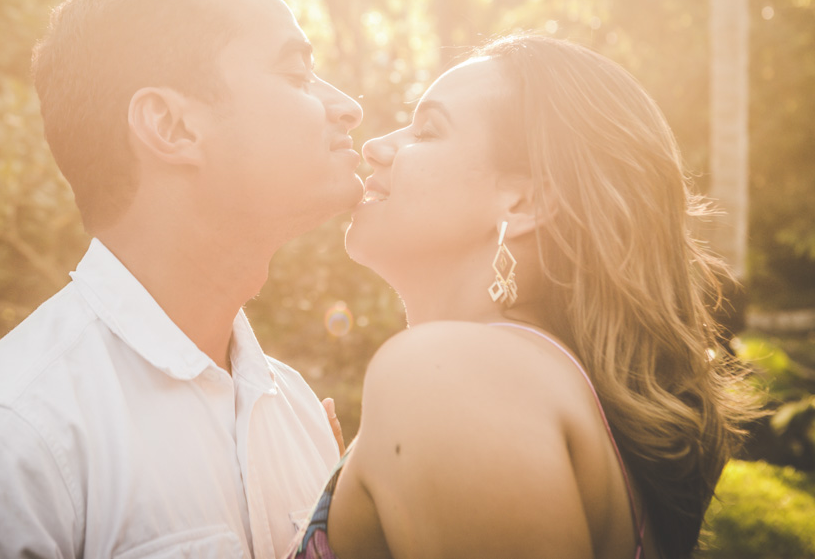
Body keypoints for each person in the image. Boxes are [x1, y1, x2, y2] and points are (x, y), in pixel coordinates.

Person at [0, 0, 362, 559]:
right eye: (298, 74)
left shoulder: (297, 412)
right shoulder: (4, 447)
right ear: (171, 126)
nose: (348, 106)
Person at [287, 34, 756, 559]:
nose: (375, 146)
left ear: (524, 200)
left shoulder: (452, 375)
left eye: (426, 130)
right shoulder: (526, 386)